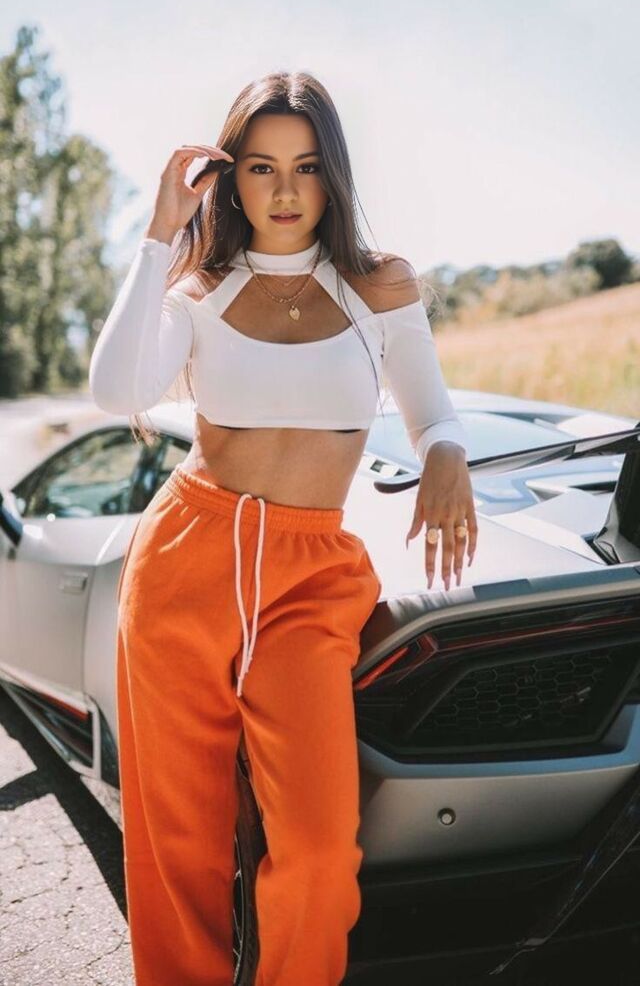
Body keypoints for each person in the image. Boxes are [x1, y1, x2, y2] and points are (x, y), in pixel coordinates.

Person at [89, 70, 477, 986]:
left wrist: (448, 452)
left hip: (308, 581)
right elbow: (116, 390)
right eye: (261, 167)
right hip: (185, 562)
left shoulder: (379, 285)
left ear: (332, 174)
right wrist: (160, 234)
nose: (286, 190)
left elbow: (430, 410)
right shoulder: (201, 289)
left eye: (305, 166)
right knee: (178, 845)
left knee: (318, 849)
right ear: (231, 178)